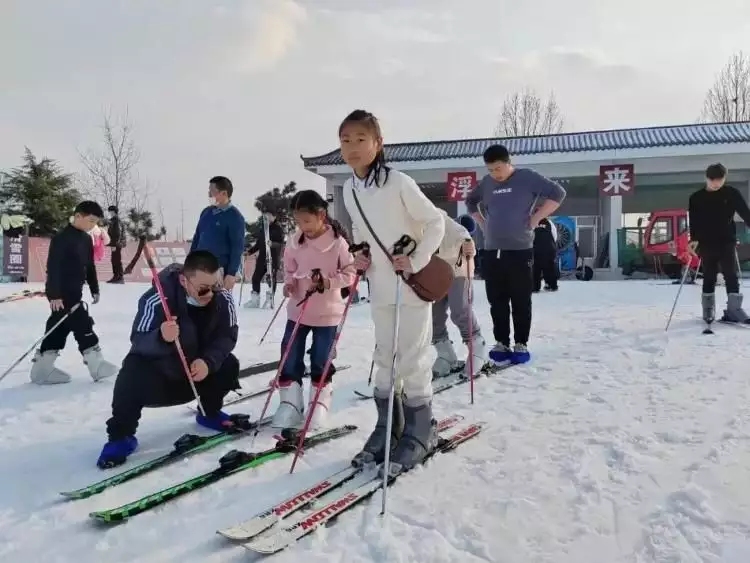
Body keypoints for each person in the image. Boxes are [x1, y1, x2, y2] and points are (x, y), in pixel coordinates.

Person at [339, 109, 445, 477]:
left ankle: (421, 430)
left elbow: (435, 222)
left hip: (410, 287)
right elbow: (360, 231)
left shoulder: (398, 182)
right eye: (345, 140)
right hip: (379, 287)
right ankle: (388, 428)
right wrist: (361, 254)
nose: (352, 147)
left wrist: (415, 259)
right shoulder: (350, 188)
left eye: (360, 139)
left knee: (413, 357)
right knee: (384, 358)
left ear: (378, 143)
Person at [96, 250, 242, 469]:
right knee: (131, 371)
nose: (210, 294)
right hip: (163, 378)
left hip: (197, 376)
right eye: (203, 289)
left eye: (215, 286)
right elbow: (138, 339)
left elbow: (227, 336)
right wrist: (161, 336)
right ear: (184, 280)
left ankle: (209, 412)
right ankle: (121, 436)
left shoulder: (223, 299)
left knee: (228, 363)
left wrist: (208, 362)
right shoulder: (157, 298)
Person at [466, 144, 566, 365]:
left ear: (509, 162)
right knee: (497, 301)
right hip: (492, 251)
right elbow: (470, 201)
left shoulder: (527, 178)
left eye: (499, 169)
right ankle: (502, 342)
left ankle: (521, 343)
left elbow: (558, 193)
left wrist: (537, 217)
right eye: (490, 170)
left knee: (521, 299)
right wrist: (481, 222)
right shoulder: (487, 183)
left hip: (520, 251)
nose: (495, 174)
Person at [272, 190, 356, 431]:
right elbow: (289, 268)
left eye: (306, 221)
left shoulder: (337, 242)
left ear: (321, 216)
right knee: (289, 353)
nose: (303, 227)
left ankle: (318, 402)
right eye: (298, 221)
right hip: (298, 310)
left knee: (321, 357)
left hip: (327, 312)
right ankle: (290, 402)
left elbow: (350, 273)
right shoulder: (294, 241)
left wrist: (328, 282)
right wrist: (289, 283)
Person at [30, 201, 119, 385]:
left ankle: (43, 369)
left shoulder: (86, 239)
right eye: (91, 221)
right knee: (83, 324)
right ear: (78, 216)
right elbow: (53, 267)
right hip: (62, 295)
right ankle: (96, 365)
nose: (93, 226)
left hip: (75, 292)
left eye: (96, 222)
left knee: (58, 328)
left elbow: (90, 265)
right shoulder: (61, 238)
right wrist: (54, 294)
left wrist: (94, 288)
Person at [688, 163, 750, 324]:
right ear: (706, 178)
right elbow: (694, 221)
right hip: (706, 242)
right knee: (709, 274)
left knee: (731, 274)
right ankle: (708, 309)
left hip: (727, 240)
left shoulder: (731, 194)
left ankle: (734, 310)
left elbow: (745, 213)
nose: (716, 183)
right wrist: (693, 239)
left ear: (724, 178)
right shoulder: (696, 198)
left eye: (719, 180)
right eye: (712, 180)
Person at [432, 209, 486, 380]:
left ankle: (477, 348)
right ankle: (445, 353)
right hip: (436, 271)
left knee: (459, 309)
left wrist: (468, 244)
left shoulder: (442, 219)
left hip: (459, 269)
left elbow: (464, 235)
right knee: (433, 314)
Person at [190, 176, 246, 291]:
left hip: (218, 270)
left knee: (216, 305)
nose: (209, 194)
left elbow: (237, 247)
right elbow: (197, 238)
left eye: (212, 191)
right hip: (199, 267)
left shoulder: (235, 217)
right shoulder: (206, 212)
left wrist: (231, 273)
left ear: (224, 193)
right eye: (209, 191)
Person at [244, 211, 285, 308]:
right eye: (265, 216)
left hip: (273, 258)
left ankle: (270, 299)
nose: (267, 217)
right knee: (255, 278)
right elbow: (259, 244)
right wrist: (249, 252)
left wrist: (272, 244)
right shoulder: (263, 229)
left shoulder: (278, 229)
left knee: (271, 279)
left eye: (269, 215)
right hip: (262, 258)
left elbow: (281, 244)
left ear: (274, 216)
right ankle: (255, 300)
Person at [532, 217, 559, 292]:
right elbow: (554, 235)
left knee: (535, 268)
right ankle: (552, 285)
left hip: (536, 249)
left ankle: (535, 287)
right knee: (550, 267)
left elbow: (530, 234)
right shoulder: (550, 222)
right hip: (549, 249)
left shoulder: (533, 221)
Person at [106, 205, 126, 283]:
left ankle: (119, 277)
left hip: (116, 243)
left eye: (111, 211)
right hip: (116, 243)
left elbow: (117, 233)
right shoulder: (115, 220)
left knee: (116, 260)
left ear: (114, 212)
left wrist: (114, 244)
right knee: (115, 259)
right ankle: (116, 276)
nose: (110, 213)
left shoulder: (116, 220)